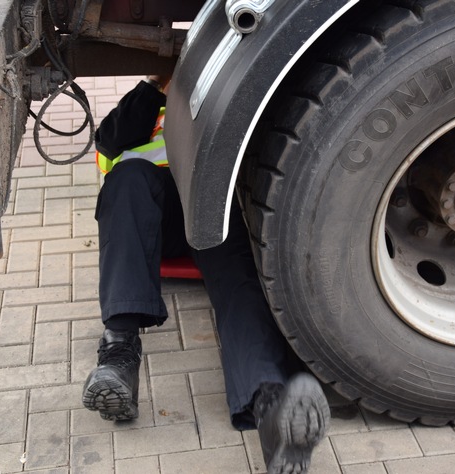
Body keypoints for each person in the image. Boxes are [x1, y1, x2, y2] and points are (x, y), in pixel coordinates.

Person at [81, 76, 331, 473]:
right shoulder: (151, 102)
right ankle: (118, 355)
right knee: (125, 179)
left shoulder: (230, 92)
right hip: (156, 212)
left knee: (241, 288)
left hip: (215, 211)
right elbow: (111, 142)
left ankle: (273, 415)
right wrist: (156, 87)